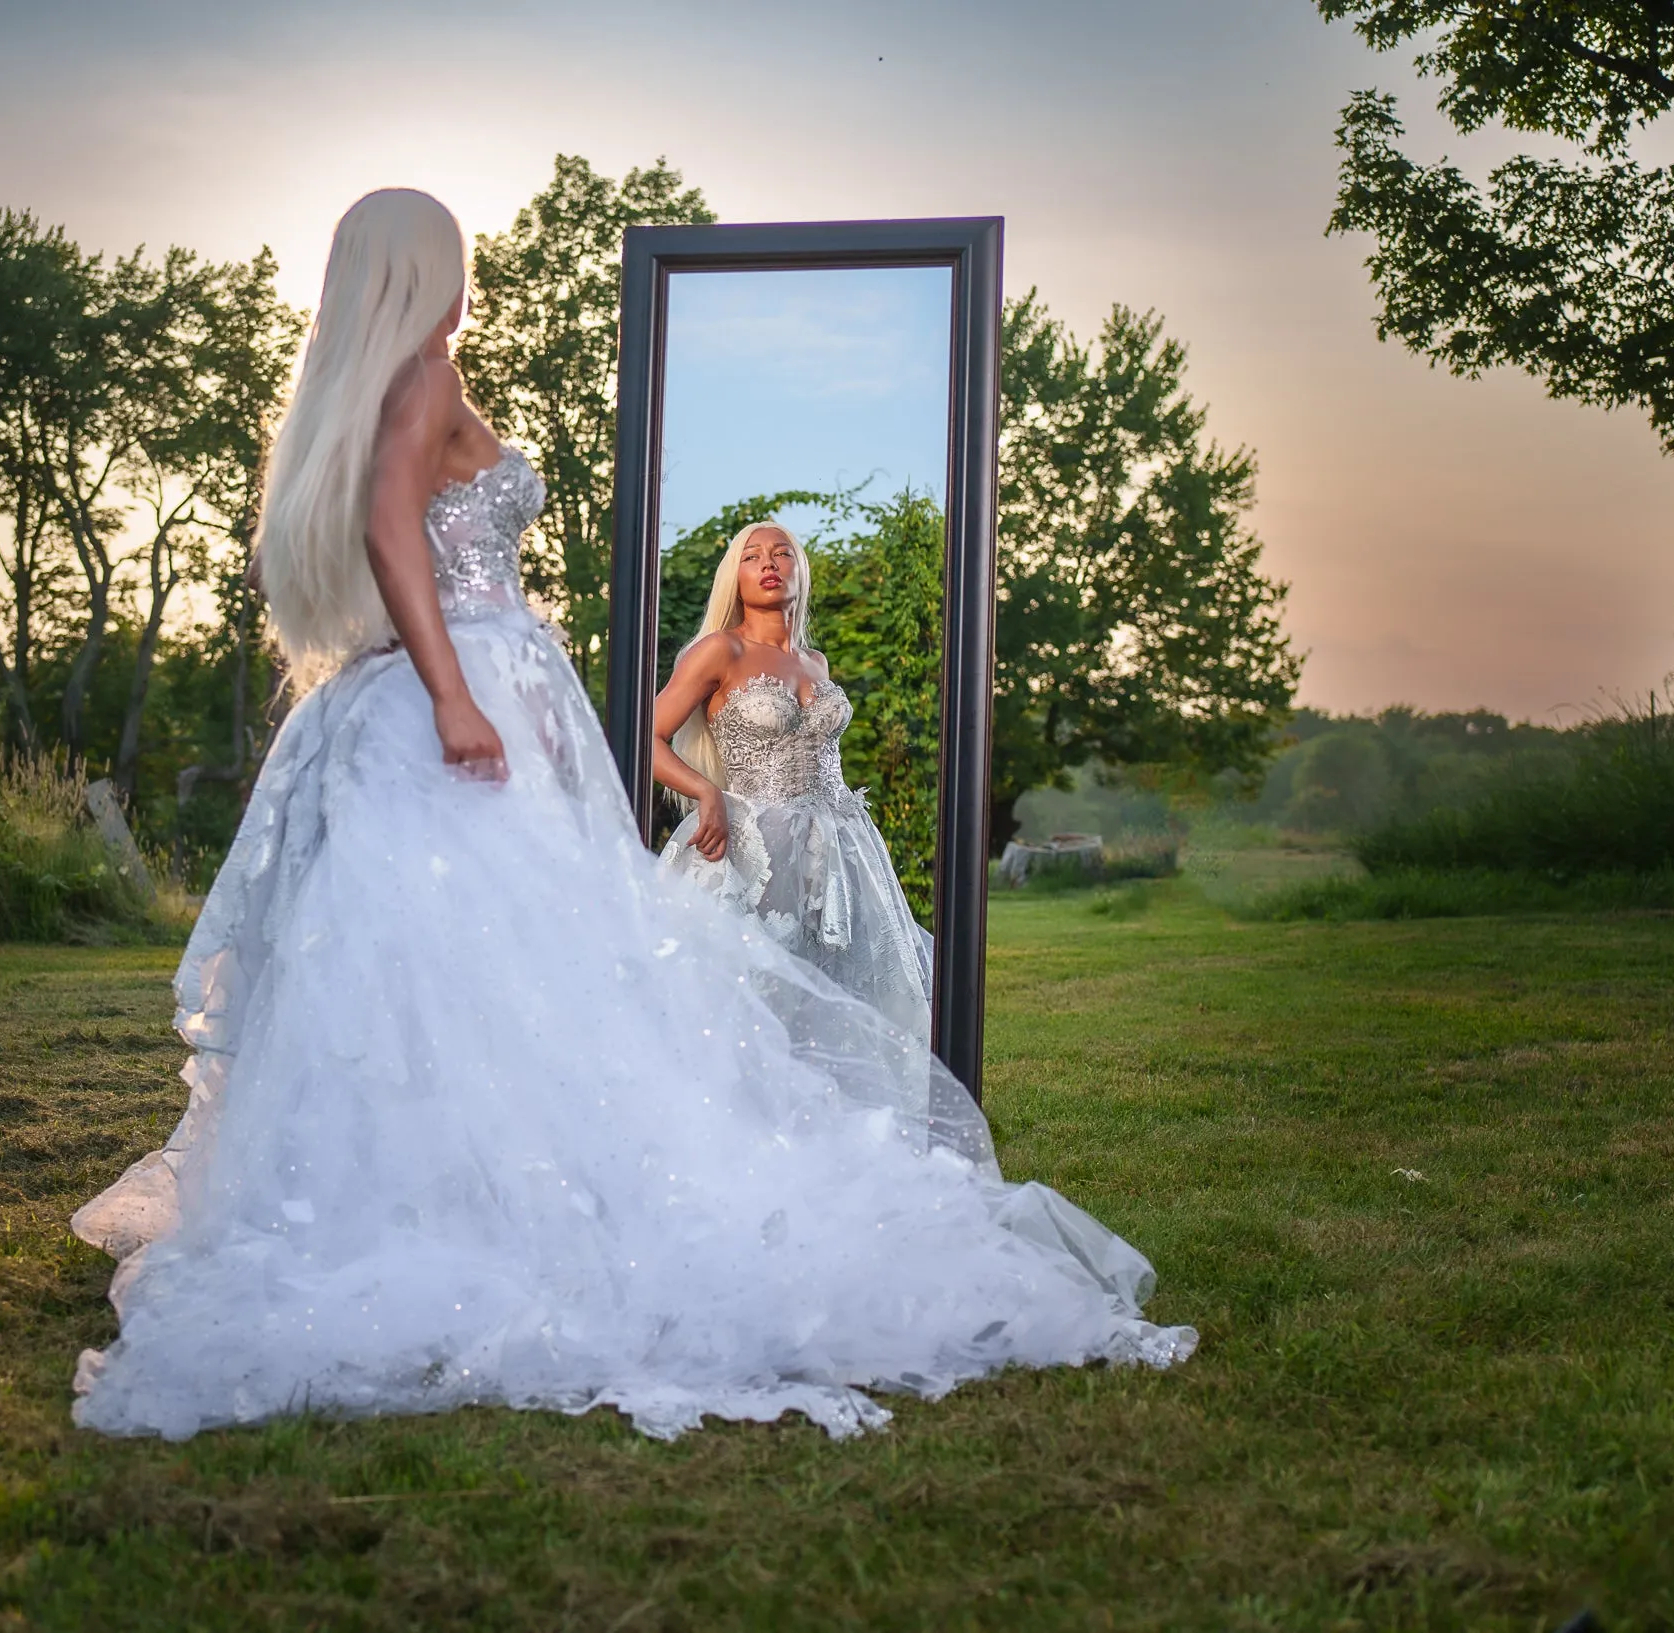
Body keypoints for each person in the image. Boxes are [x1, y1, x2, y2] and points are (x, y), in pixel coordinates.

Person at [68, 188, 1194, 1444]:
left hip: (447, 684)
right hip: (451, 690)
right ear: (418, 271)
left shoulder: (388, 383)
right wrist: (456, 694)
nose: (466, 284)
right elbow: (397, 533)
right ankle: (471, 1211)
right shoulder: (423, 378)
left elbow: (407, 539)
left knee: (448, 965)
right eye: (456, 262)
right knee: (473, 959)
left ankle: (448, 1194)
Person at [651, 522, 934, 1041]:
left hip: (842, 848)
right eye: (752, 555)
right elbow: (645, 736)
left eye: (783, 553)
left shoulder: (815, 662)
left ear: (800, 571)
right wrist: (705, 790)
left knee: (840, 993)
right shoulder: (720, 651)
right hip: (757, 848)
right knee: (756, 990)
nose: (769, 563)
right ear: (733, 577)